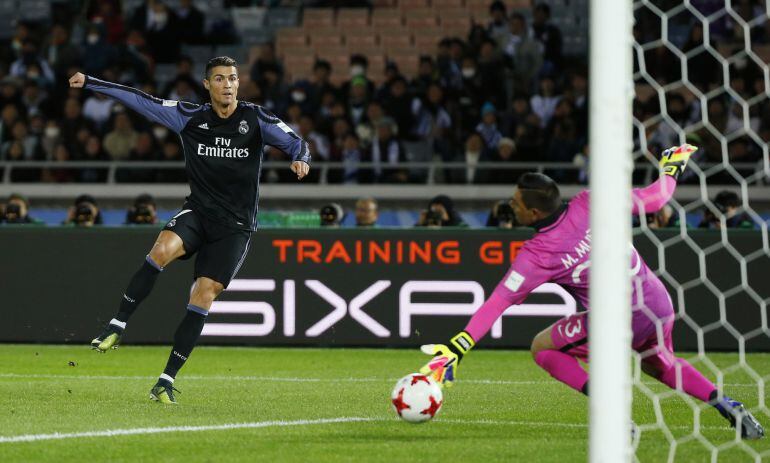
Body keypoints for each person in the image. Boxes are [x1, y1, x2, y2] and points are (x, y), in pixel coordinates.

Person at [418, 144, 765, 440]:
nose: (512, 206)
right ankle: (727, 404)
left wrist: (456, 349)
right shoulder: (590, 201)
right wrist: (671, 167)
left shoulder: (537, 255)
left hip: (617, 319)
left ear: (535, 212)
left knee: (542, 347)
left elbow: (498, 303)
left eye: (516, 202)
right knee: (660, 364)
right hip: (656, 302)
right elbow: (656, 199)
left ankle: (613, 415)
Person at [70, 55, 311, 404]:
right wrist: (92, 81)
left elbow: (295, 141)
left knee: (204, 294)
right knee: (161, 250)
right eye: (220, 79)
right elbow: (142, 100)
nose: (227, 85)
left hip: (235, 226)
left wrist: (300, 157)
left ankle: (166, 380)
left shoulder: (255, 118)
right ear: (207, 85)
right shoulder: (190, 116)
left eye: (232, 78)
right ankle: (117, 325)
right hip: (197, 211)